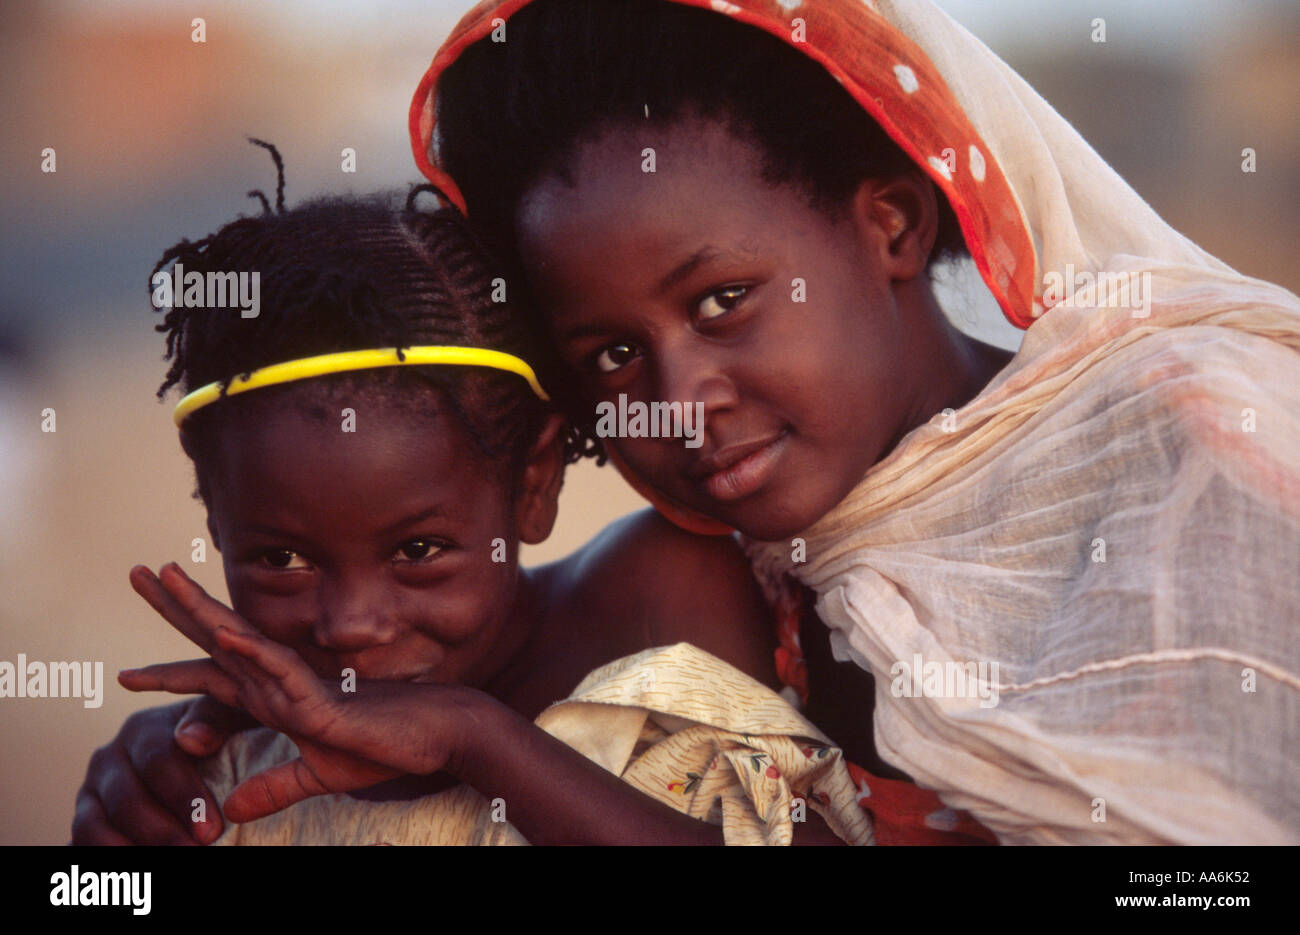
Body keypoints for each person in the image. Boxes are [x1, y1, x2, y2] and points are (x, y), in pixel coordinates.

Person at [407, 0, 1300, 843]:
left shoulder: (1192, 447)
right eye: (611, 355)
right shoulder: (741, 574)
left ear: (893, 226)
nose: (680, 402)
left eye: (723, 300)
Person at [104, 151, 873, 845]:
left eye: (418, 550)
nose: (349, 625)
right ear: (213, 513)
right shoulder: (230, 760)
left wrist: (479, 739)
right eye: (281, 558)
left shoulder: (652, 607)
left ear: (534, 485)